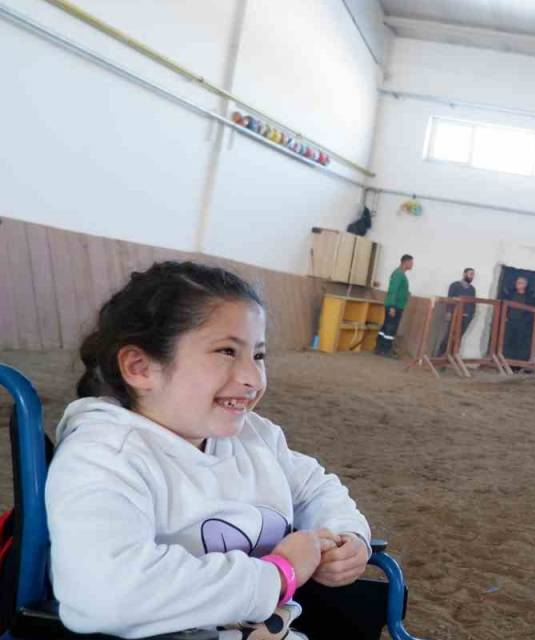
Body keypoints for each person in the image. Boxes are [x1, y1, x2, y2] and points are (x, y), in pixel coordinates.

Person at [46, 261, 372, 639]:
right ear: (140, 367)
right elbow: (104, 593)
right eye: (227, 352)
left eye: (259, 355)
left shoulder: (254, 436)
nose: (252, 378)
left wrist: (347, 537)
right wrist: (280, 572)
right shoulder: (104, 455)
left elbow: (315, 487)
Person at [375, 254, 413, 357]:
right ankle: (386, 350)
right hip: (394, 306)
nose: (412, 265)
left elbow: (398, 290)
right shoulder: (399, 274)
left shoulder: (400, 274)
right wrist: (392, 306)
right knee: (391, 328)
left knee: (386, 327)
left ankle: (379, 348)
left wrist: (406, 293)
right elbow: (393, 290)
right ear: (405, 262)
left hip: (396, 305)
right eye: (411, 262)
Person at [435, 267, 477, 357]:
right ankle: (439, 357)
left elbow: (473, 303)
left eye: (473, 275)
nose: (472, 276)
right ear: (464, 274)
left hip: (466, 318)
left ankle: (450, 358)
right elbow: (449, 299)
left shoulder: (472, 289)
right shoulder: (455, 285)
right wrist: (449, 312)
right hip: (455, 316)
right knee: (448, 337)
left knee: (458, 339)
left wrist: (471, 316)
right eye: (471, 274)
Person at [499, 276, 535, 367]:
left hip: (521, 324)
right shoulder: (510, 295)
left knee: (519, 342)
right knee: (507, 341)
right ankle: (504, 362)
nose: (518, 284)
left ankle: (516, 364)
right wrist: (505, 317)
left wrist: (524, 322)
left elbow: (532, 312)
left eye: (521, 283)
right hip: (509, 322)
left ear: (525, 285)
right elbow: (504, 306)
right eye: (517, 282)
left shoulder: (529, 298)